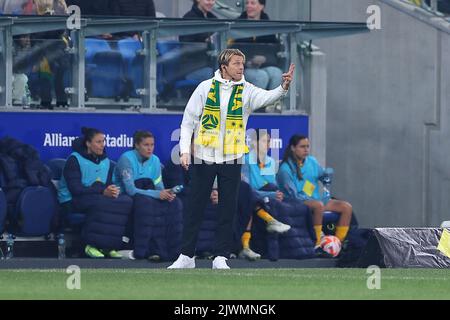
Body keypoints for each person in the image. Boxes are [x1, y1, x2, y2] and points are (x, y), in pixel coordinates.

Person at [168, 48, 295, 269]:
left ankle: (221, 256)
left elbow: (267, 97)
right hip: (203, 156)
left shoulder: (246, 89)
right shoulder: (205, 88)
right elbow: (188, 121)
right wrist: (184, 151)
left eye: (242, 64)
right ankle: (186, 256)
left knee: (228, 208)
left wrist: (283, 87)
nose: (241, 67)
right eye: (236, 64)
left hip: (232, 157)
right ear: (224, 67)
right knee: (194, 207)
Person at [58, 127, 133, 258]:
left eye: (103, 141)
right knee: (101, 203)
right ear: (88, 143)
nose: (102, 145)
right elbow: (76, 189)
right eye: (98, 142)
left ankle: (109, 246)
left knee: (124, 201)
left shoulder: (106, 161)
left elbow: (108, 184)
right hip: (71, 200)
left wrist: (112, 190)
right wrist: (103, 191)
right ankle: (89, 245)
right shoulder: (74, 160)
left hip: (97, 196)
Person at [277, 135, 353, 257]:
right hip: (295, 201)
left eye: (307, 146)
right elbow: (293, 195)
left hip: (316, 200)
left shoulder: (311, 161)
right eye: (302, 147)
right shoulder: (285, 169)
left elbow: (322, 175)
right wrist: (312, 200)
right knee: (318, 206)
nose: (306, 149)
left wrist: (327, 174)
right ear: (293, 148)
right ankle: (317, 244)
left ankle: (338, 245)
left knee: (346, 207)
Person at [115, 130, 182, 261]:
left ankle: (172, 252)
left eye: (152, 145)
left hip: (148, 194)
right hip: (126, 196)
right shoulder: (126, 159)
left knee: (175, 203)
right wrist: (158, 194)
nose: (150, 148)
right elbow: (131, 190)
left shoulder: (155, 160)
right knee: (146, 204)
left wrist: (167, 194)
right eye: (146, 145)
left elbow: (159, 185)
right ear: (137, 145)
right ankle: (143, 250)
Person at [239, 129, 292, 260]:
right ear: (254, 143)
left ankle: (273, 252)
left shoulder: (271, 161)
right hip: (253, 198)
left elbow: (272, 185)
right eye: (264, 141)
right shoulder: (245, 161)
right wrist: (272, 195)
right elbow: (248, 189)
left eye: (269, 141)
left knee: (272, 200)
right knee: (251, 199)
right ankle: (249, 246)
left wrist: (275, 195)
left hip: (266, 199)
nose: (268, 144)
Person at [232, 0, 283, 91]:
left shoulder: (269, 26)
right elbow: (231, 50)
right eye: (247, 3)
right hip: (244, 66)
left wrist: (264, 58)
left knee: (276, 73)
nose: (248, 6)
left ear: (261, 6)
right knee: (261, 76)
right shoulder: (237, 25)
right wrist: (249, 61)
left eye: (252, 3)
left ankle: (271, 105)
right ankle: (255, 105)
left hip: (264, 64)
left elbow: (273, 50)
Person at [178, 0, 217, 83]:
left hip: (210, 66)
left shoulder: (214, 19)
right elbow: (186, 49)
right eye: (208, 0)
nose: (211, 3)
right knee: (217, 76)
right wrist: (205, 40)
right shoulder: (188, 18)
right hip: (191, 69)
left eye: (213, 0)